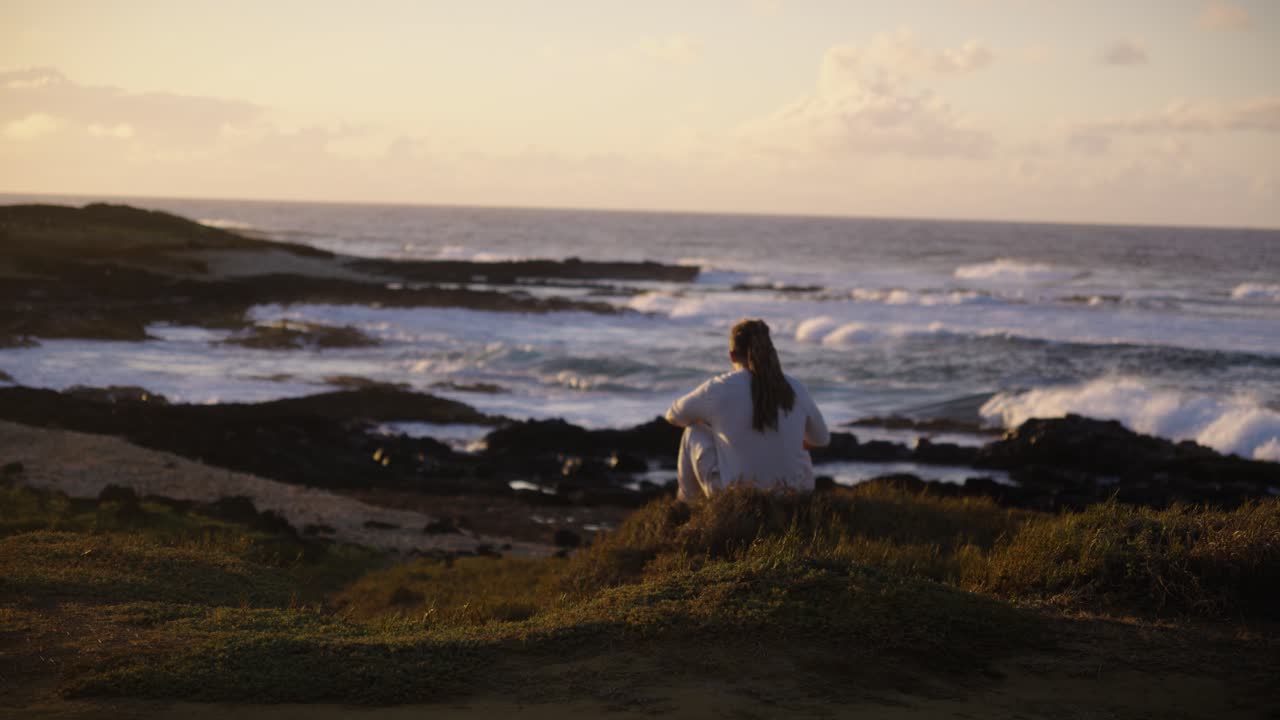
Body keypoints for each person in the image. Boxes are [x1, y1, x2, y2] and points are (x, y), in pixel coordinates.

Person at [664, 318, 829, 501]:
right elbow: (821, 439)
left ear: (732, 355)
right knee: (798, 444)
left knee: (692, 432)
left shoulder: (719, 388)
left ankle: (687, 507)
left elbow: (673, 415)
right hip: (793, 494)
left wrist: (714, 428)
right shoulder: (795, 387)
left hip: (739, 497)